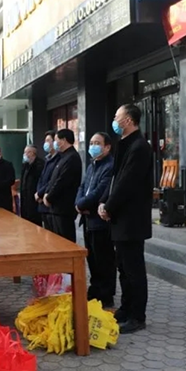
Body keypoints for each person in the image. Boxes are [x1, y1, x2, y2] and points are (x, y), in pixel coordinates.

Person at [99, 104, 153, 334]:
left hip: (131, 219)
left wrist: (109, 206)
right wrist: (104, 203)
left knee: (133, 269)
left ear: (129, 120)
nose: (114, 120)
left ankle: (137, 316)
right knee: (122, 266)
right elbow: (114, 179)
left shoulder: (140, 147)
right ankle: (126, 308)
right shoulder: (125, 145)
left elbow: (127, 183)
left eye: (117, 116)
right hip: (120, 218)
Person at [75, 132, 116, 308]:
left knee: (104, 259)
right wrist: (78, 203)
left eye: (97, 143)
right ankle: (95, 289)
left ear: (107, 147)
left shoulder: (110, 166)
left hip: (99, 220)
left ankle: (106, 294)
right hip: (87, 219)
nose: (93, 146)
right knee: (92, 258)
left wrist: (83, 203)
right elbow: (83, 186)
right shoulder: (92, 165)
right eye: (91, 142)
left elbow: (100, 190)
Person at [43, 129, 82, 242]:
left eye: (56, 140)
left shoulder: (72, 157)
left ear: (64, 140)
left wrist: (49, 197)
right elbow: (53, 180)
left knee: (65, 240)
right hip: (56, 208)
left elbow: (62, 181)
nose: (54, 143)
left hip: (64, 208)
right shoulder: (63, 157)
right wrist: (47, 193)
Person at [36, 131, 59, 227]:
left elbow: (52, 181)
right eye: (45, 141)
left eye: (48, 141)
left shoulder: (59, 160)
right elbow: (41, 178)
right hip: (42, 204)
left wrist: (41, 193)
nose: (45, 143)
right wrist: (38, 193)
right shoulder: (47, 159)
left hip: (49, 203)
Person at [20, 145, 44, 226]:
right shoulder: (25, 165)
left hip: (34, 200)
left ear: (32, 153)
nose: (25, 154)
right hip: (25, 200)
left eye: (27, 152)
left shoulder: (39, 164)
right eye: (24, 152)